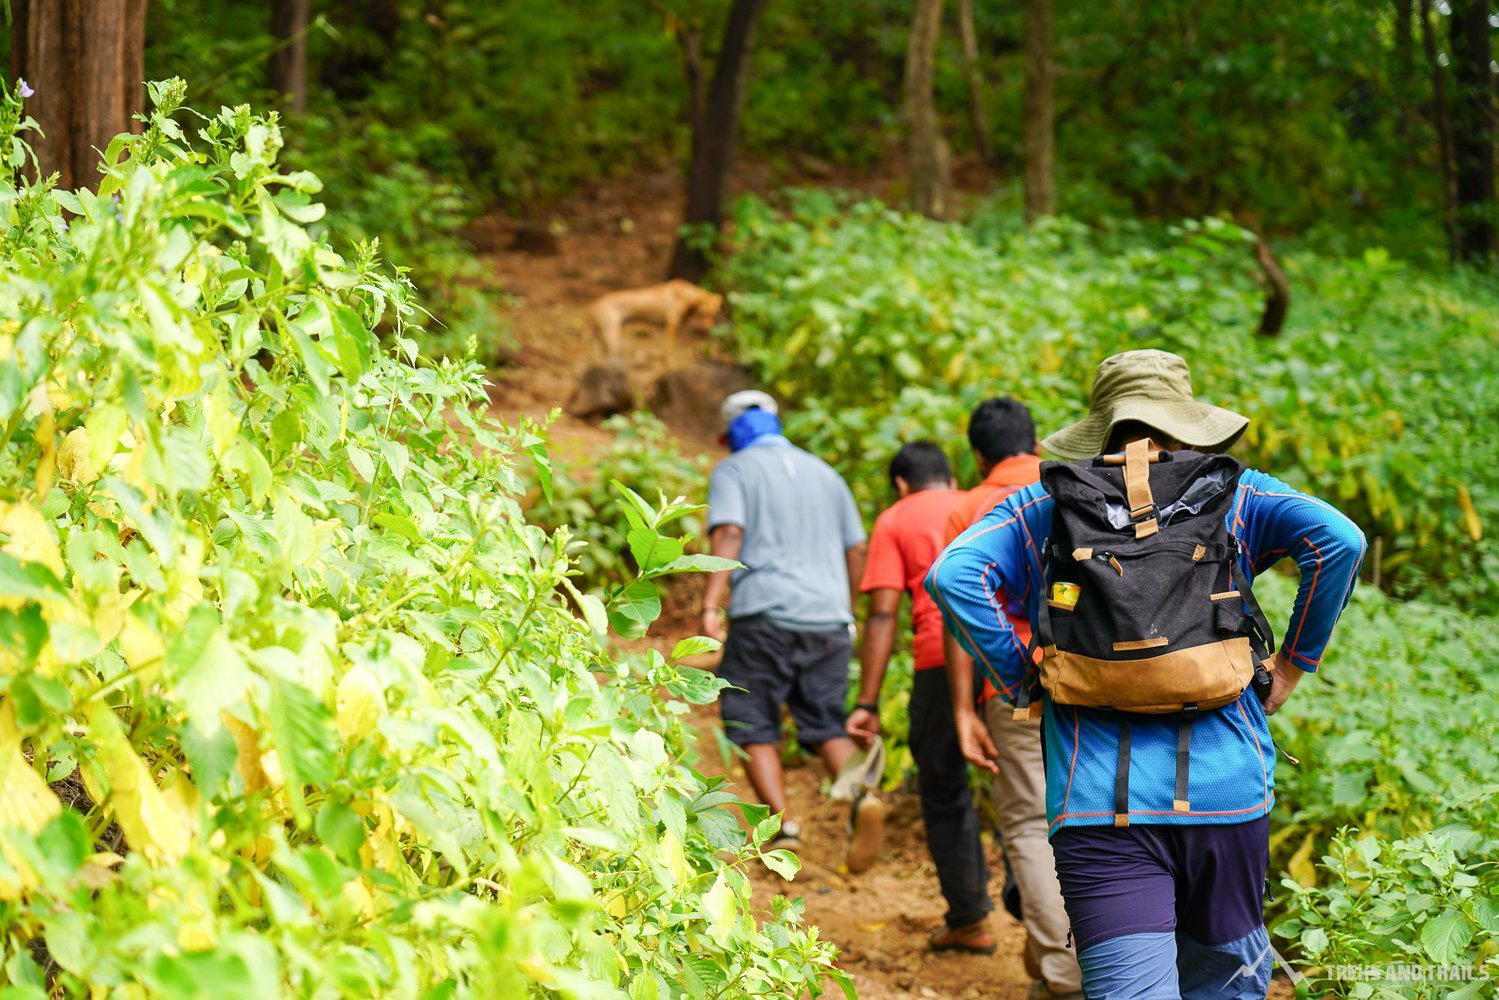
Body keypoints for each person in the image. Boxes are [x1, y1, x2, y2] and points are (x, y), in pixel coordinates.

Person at [927, 350, 1366, 999]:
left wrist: (1022, 679)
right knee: (1223, 985)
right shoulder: (1236, 495)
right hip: (1227, 796)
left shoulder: (1047, 505)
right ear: (1186, 422)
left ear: (1101, 426)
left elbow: (952, 575)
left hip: (1098, 807)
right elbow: (1340, 541)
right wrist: (1292, 665)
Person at [701, 390, 883, 867]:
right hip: (828, 618)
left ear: (731, 433)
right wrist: (844, 607)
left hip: (763, 614)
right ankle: (863, 795)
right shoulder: (826, 473)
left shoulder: (734, 470)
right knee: (825, 722)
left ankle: (784, 829)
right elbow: (857, 548)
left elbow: (730, 531)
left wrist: (710, 603)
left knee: (750, 719)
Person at [940, 398, 1083, 998]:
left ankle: (1064, 974)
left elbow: (957, 607)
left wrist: (965, 707)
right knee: (1095, 817)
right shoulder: (1076, 487)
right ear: (1038, 443)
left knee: (1028, 821)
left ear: (978, 455)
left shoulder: (969, 507)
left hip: (1019, 683)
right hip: (1093, 677)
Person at [846, 441, 998, 946]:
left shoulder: (894, 519)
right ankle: (1043, 916)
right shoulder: (978, 502)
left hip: (939, 659)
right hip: (1006, 652)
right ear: (952, 477)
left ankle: (971, 918)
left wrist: (867, 702)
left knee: (944, 786)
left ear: (901, 484)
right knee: (1023, 784)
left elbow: (883, 613)